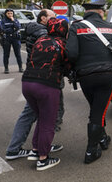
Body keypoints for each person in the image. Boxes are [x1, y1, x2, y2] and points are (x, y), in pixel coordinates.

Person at [6, 9, 63, 160]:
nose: (55, 20)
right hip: (44, 80)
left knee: (46, 115)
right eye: (52, 17)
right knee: (37, 116)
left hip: (36, 78)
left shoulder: (36, 30)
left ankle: (42, 145)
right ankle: (16, 149)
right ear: (43, 18)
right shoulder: (42, 34)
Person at [66, 0, 112, 164]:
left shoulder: (76, 26)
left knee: (96, 108)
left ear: (86, 12)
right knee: (98, 111)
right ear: (101, 11)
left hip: (86, 76)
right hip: (107, 75)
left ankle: (102, 138)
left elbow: (72, 54)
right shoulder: (110, 27)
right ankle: (91, 150)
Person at [22, 18, 69, 171]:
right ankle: (43, 159)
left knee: (42, 119)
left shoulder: (41, 39)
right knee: (49, 122)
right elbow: (68, 64)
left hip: (27, 83)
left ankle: (36, 150)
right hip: (47, 85)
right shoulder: (63, 44)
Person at [0, 9, 23, 74]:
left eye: (11, 13)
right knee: (6, 54)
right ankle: (6, 68)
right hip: (7, 38)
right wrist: (12, 28)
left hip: (15, 38)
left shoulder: (15, 20)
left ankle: (20, 67)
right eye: (8, 13)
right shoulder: (3, 21)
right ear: (6, 14)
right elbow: (3, 29)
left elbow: (18, 27)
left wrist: (13, 22)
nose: (10, 15)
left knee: (18, 54)